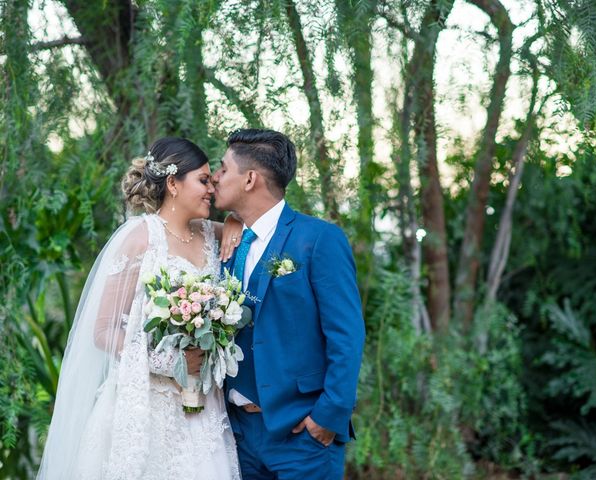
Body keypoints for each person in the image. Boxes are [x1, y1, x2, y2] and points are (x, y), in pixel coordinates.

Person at [37, 137, 244, 480]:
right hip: (148, 402)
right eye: (203, 180)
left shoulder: (212, 234)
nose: (212, 189)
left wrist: (235, 220)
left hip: (203, 405)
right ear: (174, 184)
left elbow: (252, 233)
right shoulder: (139, 237)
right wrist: (171, 361)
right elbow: (103, 330)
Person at [211, 128, 366, 479]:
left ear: (250, 179)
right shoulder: (229, 243)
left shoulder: (319, 239)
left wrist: (328, 415)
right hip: (237, 434)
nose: (215, 178)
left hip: (303, 436)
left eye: (223, 169)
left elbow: (347, 336)